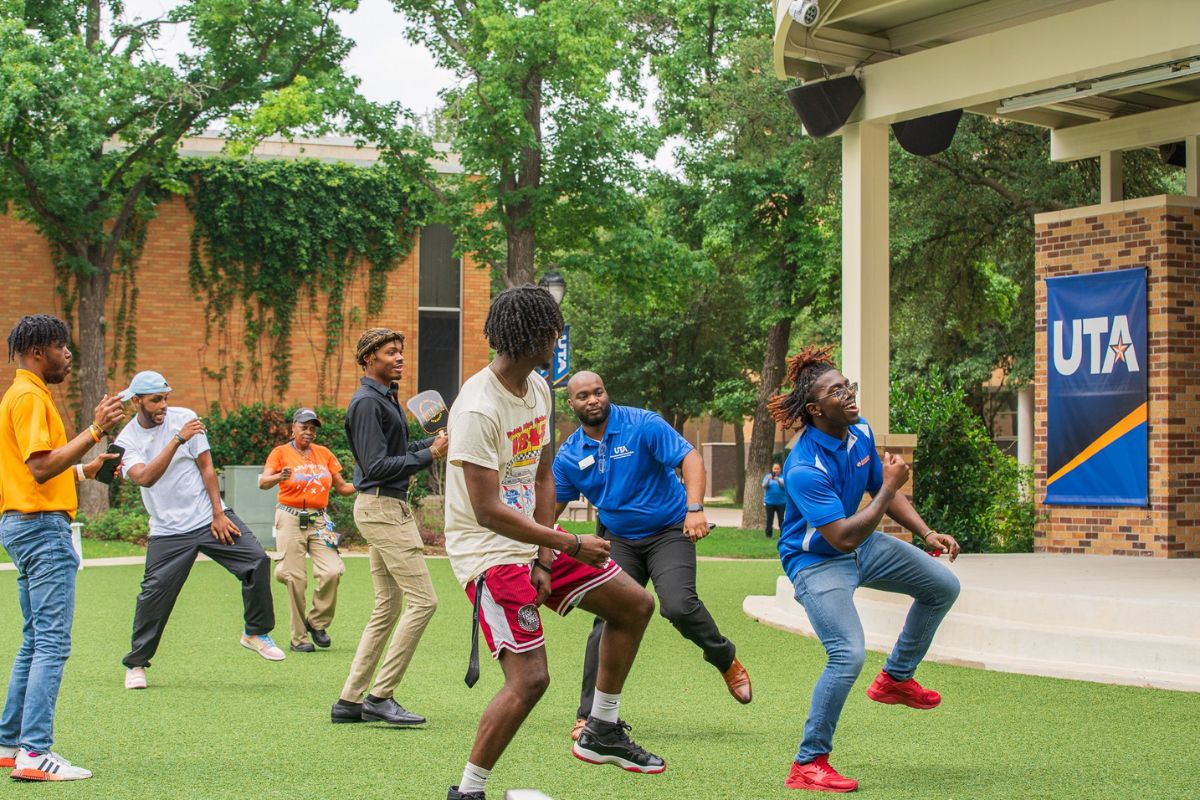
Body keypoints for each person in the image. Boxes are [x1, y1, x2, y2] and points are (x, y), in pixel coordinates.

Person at [445, 286, 661, 800]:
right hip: (489, 552)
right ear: (530, 336)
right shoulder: (477, 408)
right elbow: (487, 510)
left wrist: (546, 554)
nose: (558, 339)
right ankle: (469, 792)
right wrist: (565, 542)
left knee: (634, 605)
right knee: (530, 680)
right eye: (552, 331)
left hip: (534, 542)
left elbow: (543, 476)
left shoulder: (538, 390)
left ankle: (600, 730)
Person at [768, 346, 961, 793]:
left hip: (864, 545)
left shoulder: (860, 432)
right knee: (847, 654)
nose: (850, 395)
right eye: (837, 392)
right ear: (816, 410)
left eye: (848, 385)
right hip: (817, 562)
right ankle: (808, 763)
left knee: (941, 586)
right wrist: (891, 484)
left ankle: (896, 678)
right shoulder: (803, 466)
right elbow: (843, 537)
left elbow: (881, 489)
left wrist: (927, 533)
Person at [554, 370, 752, 741]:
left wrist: (695, 508)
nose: (593, 399)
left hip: (668, 531)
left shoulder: (642, 424)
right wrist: (528, 541)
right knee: (607, 619)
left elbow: (690, 458)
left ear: (606, 392)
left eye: (598, 391)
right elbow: (553, 506)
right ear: (572, 404)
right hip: (618, 540)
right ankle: (590, 715)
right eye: (583, 396)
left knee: (678, 605)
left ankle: (725, 659)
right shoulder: (568, 455)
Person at [0, 315, 124, 782]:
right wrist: (93, 431)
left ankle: (10, 745)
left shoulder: (18, 395)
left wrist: (87, 470)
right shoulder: (31, 397)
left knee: (34, 639)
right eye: (61, 347)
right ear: (38, 352)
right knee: (51, 641)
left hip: (21, 523)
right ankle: (35, 753)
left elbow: (34, 472)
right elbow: (39, 467)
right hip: (42, 530)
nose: (69, 355)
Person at [117, 370, 284, 691]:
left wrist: (218, 513)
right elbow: (144, 477)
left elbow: (206, 466)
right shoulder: (127, 441)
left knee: (256, 560)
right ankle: (136, 664)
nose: (164, 405)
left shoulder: (185, 416)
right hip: (168, 532)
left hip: (208, 517)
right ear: (137, 401)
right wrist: (177, 439)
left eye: (166, 397)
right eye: (155, 400)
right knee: (154, 596)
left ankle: (255, 632)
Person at [331, 328, 446, 727]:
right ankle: (380, 696)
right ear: (368, 358)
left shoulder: (386, 400)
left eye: (400, 352)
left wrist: (430, 446)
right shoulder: (366, 403)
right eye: (389, 352)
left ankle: (350, 700)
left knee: (388, 606)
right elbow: (375, 466)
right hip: (382, 506)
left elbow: (394, 453)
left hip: (386, 505)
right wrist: (429, 454)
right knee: (424, 601)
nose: (399, 357)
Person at [259, 408, 355, 653]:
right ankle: (299, 638)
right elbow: (263, 482)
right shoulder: (280, 453)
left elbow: (342, 487)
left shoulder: (324, 454)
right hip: (289, 518)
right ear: (293, 427)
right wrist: (279, 476)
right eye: (304, 426)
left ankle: (316, 622)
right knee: (295, 578)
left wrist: (369, 483)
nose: (309, 432)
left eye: (313, 428)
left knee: (333, 570)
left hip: (320, 520)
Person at [762, 462, 786, 539]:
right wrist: (769, 479)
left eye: (778, 469)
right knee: (769, 520)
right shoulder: (767, 476)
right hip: (769, 502)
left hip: (781, 503)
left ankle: (783, 535)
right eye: (775, 468)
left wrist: (777, 479)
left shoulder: (783, 477)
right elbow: (764, 486)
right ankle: (768, 535)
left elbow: (784, 486)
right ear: (772, 469)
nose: (776, 470)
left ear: (780, 469)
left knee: (781, 520)